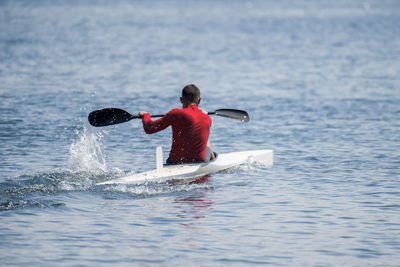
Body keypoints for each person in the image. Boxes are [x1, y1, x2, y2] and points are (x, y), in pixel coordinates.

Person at [138, 84, 215, 164]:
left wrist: (146, 116)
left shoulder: (176, 113)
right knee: (207, 143)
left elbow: (149, 128)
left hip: (176, 161)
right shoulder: (207, 118)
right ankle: (213, 163)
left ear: (181, 100)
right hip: (199, 161)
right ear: (199, 100)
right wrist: (203, 114)